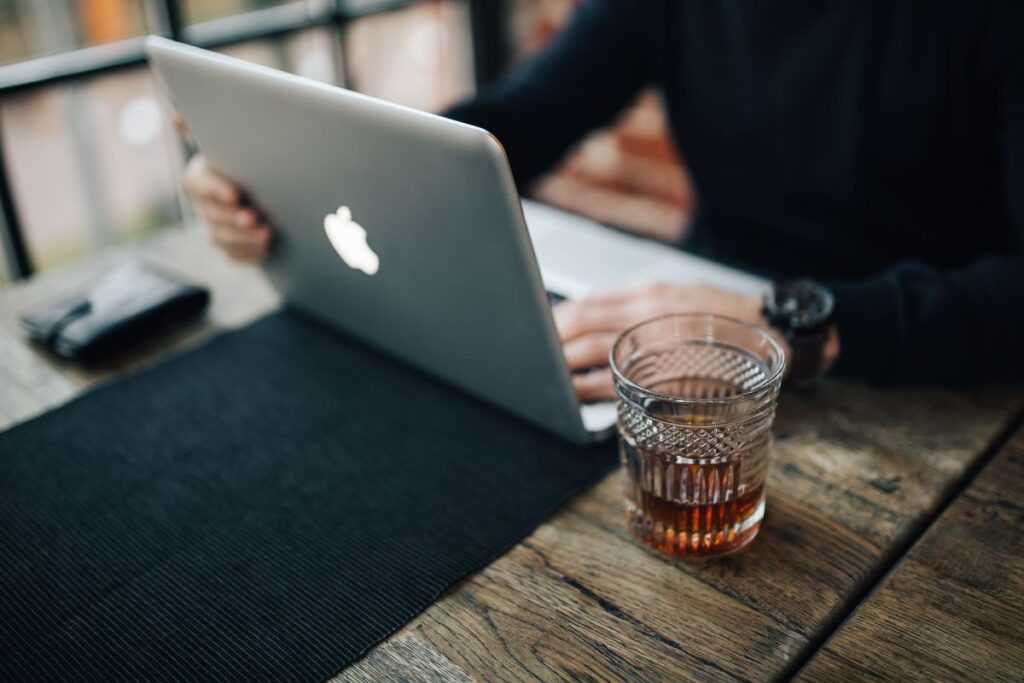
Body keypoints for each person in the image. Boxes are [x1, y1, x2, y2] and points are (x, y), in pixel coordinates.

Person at [181, 0, 1024, 399]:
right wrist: (298, 174)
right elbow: (521, 122)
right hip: (686, 334)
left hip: (925, 371)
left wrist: (782, 327)